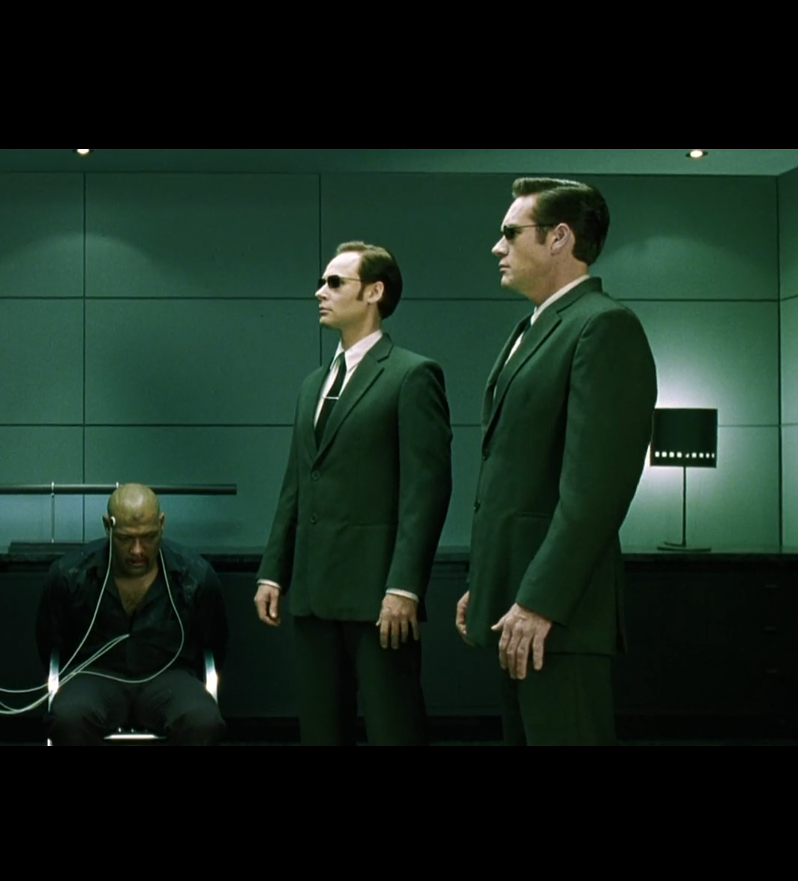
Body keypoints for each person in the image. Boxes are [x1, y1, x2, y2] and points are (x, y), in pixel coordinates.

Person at [458, 178, 657, 746]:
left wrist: (540, 600)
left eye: (510, 232)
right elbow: (520, 480)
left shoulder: (603, 326)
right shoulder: (534, 328)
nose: (497, 247)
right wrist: (489, 582)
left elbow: (595, 493)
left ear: (559, 238)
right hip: (517, 608)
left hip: (558, 617)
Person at [255, 242, 452, 746]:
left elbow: (426, 491)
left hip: (378, 596)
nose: (320, 292)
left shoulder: (411, 375)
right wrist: (273, 571)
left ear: (374, 292)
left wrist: (404, 586)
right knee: (320, 731)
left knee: (394, 729)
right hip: (313, 593)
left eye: (334, 282)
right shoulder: (313, 385)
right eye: (321, 282)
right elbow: (297, 483)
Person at [36, 484, 228, 745]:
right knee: (68, 719)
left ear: (162, 524)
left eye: (148, 537)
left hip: (169, 677)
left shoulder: (193, 575)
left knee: (202, 721)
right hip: (95, 675)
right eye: (126, 538)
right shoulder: (70, 574)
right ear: (108, 526)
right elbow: (49, 642)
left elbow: (215, 643)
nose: (137, 550)